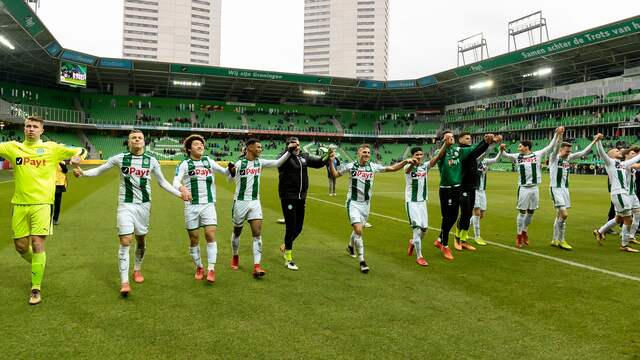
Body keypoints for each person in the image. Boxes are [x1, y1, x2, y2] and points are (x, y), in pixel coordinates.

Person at [74, 130, 185, 296]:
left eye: (140, 138)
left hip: (144, 206)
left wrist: (179, 194)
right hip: (125, 205)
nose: (137, 140)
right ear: (129, 141)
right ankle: (124, 282)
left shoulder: (152, 160)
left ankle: (137, 268)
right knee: (126, 241)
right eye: (134, 138)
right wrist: (83, 173)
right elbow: (99, 170)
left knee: (141, 240)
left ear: (144, 142)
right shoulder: (119, 158)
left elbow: (162, 182)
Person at [0, 115, 85, 305]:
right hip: (20, 204)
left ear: (41, 130)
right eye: (28, 126)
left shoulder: (52, 148)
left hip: (42, 204)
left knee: (38, 242)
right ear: (24, 129)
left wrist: (77, 157)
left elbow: (81, 149)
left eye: (35, 127)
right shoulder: (13, 147)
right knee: (21, 247)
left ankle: (35, 288)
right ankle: (39, 264)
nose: (31, 129)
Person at [329, 144, 414, 273]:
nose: (367, 154)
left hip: (366, 205)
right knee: (358, 230)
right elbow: (335, 174)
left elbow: (391, 168)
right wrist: (330, 161)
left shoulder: (373, 167)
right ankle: (362, 261)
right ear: (358, 153)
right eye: (364, 152)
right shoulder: (351, 167)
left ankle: (350, 246)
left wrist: (405, 161)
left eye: (368, 152)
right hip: (353, 203)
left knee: (358, 230)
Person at [228, 138, 297, 278]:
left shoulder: (260, 162)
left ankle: (257, 266)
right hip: (240, 202)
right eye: (258, 147)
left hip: (255, 202)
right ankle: (235, 255)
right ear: (250, 148)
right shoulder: (240, 163)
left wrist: (289, 150)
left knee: (257, 233)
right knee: (237, 232)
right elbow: (230, 179)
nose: (260, 149)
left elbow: (278, 162)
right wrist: (231, 172)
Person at [172, 134, 231, 283]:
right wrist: (182, 189)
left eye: (201, 144)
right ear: (189, 149)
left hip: (208, 205)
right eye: (196, 144)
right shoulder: (185, 164)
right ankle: (199, 266)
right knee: (194, 239)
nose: (200, 146)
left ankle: (211, 269)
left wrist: (231, 169)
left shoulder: (208, 161)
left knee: (210, 235)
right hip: (191, 206)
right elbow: (175, 181)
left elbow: (225, 173)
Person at [434, 131, 495, 260]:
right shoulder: (439, 151)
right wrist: (445, 145)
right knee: (448, 218)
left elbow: (473, 151)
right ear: (443, 139)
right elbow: (438, 157)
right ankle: (444, 244)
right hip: (446, 188)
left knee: (454, 216)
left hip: (457, 187)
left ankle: (442, 240)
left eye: (452, 136)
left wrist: (485, 142)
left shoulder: (458, 151)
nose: (450, 138)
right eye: (447, 137)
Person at [499, 127, 564, 248]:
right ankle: (518, 236)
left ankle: (524, 231)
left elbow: (550, 147)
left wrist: (557, 134)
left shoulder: (537, 154)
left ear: (526, 147)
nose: (518, 148)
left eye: (520, 146)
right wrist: (501, 148)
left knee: (531, 211)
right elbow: (505, 155)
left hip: (535, 188)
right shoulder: (517, 156)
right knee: (522, 211)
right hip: (523, 188)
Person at [277, 137, 328, 270]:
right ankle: (288, 258)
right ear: (288, 146)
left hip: (301, 197)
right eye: (294, 144)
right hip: (288, 197)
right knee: (290, 226)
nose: (297, 147)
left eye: (298, 144)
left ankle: (285, 245)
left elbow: (318, 163)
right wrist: (289, 150)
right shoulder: (284, 156)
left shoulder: (303, 156)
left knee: (298, 227)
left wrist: (327, 156)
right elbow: (278, 163)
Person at [404, 139, 452, 266]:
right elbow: (407, 171)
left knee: (424, 229)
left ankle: (413, 242)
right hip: (412, 202)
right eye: (416, 155)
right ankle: (419, 256)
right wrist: (412, 164)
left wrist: (445, 145)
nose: (419, 157)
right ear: (412, 156)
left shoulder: (425, 167)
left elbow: (437, 158)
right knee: (417, 228)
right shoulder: (408, 166)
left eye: (420, 155)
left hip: (422, 202)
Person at [547, 135, 599, 250]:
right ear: (561, 149)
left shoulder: (568, 159)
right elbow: (555, 149)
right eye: (566, 150)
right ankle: (562, 240)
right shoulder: (554, 158)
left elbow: (583, 153)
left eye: (570, 150)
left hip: (565, 190)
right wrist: (559, 136)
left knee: (559, 215)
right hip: (555, 189)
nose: (568, 152)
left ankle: (555, 239)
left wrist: (595, 141)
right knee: (564, 215)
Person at [453, 133, 502, 249]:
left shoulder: (470, 151)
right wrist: (486, 142)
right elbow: (475, 153)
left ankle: (464, 240)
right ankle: (457, 238)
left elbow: (480, 153)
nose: (469, 140)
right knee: (465, 213)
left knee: (468, 213)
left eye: (470, 138)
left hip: (472, 186)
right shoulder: (459, 150)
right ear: (460, 140)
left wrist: (491, 142)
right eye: (466, 138)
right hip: (463, 186)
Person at [593, 140, 640, 251]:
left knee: (619, 219)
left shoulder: (622, 164)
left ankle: (599, 231)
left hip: (622, 194)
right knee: (627, 219)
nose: (619, 151)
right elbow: (601, 152)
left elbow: (635, 159)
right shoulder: (610, 162)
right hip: (620, 194)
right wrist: (599, 141)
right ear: (611, 155)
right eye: (616, 150)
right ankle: (624, 245)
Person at [469, 148, 502, 245]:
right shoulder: (473, 161)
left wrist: (501, 151)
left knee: (481, 215)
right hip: (474, 189)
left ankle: (463, 226)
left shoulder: (485, 161)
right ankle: (477, 236)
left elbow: (495, 159)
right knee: (477, 213)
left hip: (482, 191)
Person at [53, 161, 69, 225]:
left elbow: (65, 171)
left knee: (57, 204)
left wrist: (62, 164)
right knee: (49, 204)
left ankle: (55, 219)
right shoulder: (50, 160)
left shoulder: (61, 161)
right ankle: (47, 219)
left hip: (59, 185)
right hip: (50, 184)